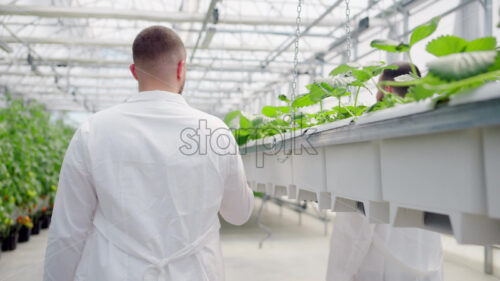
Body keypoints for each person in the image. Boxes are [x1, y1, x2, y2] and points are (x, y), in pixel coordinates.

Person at [43, 26, 254, 281]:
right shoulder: (214, 132)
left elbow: (67, 231)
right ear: (181, 68)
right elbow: (239, 213)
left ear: (134, 72)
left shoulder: (93, 131)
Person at [326, 62, 443, 281]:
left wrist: (337, 274)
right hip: (428, 265)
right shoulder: (434, 140)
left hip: (381, 268)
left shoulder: (370, 141)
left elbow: (354, 228)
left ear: (387, 90)